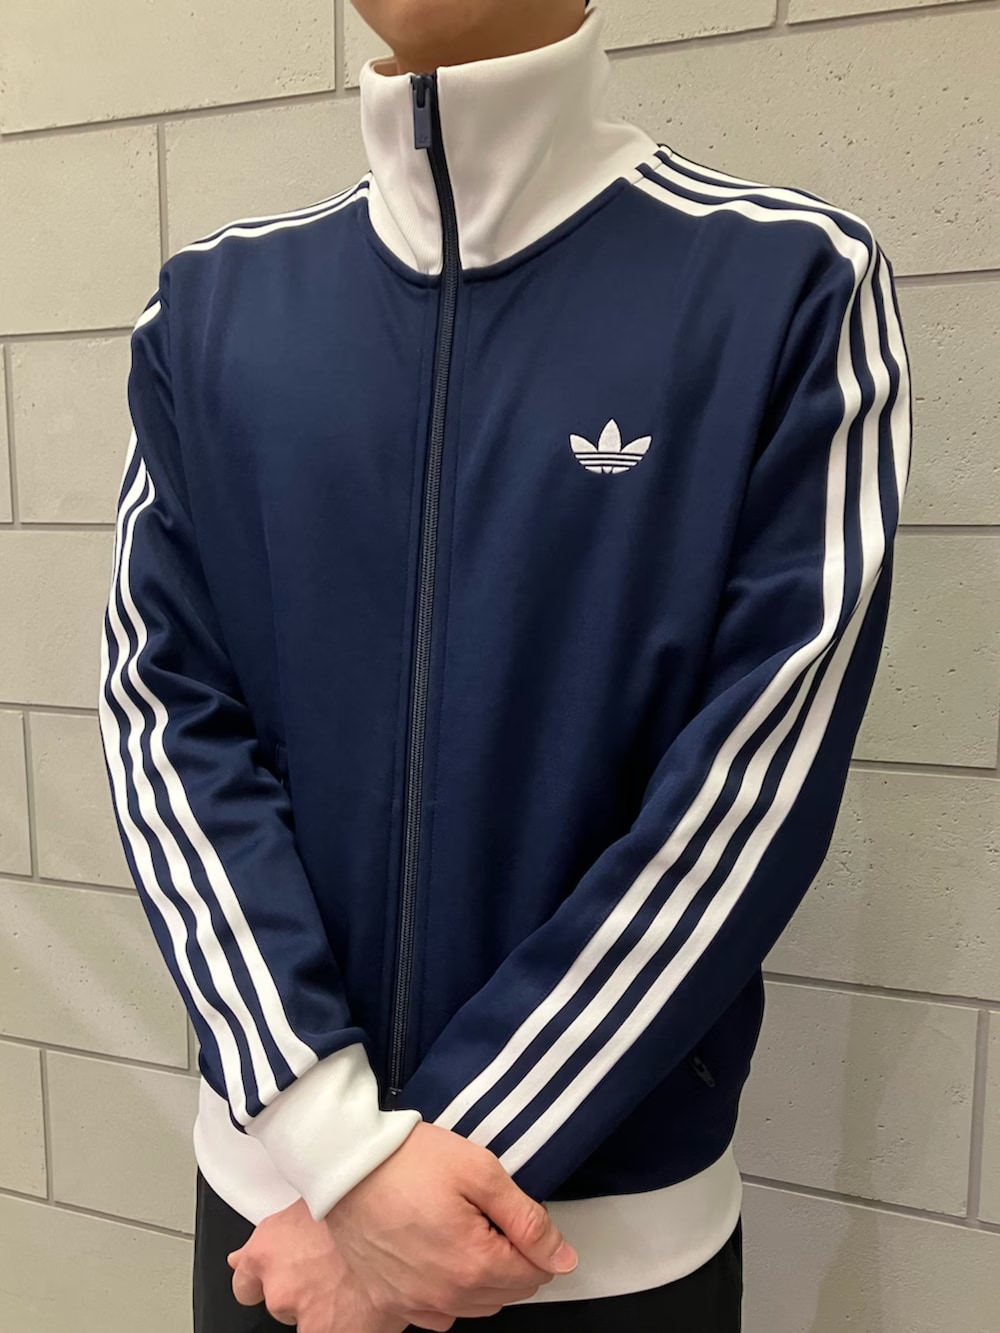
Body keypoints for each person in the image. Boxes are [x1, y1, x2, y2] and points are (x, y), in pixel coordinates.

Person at [96, 0, 912, 1329]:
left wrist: (393, 1200)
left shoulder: (788, 287)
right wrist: (334, 1145)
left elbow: (750, 792)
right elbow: (164, 720)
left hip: (590, 1250)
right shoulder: (212, 309)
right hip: (275, 1227)